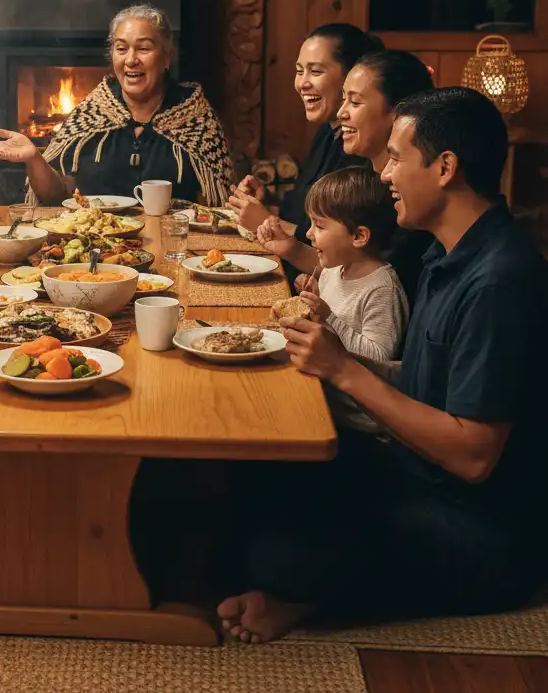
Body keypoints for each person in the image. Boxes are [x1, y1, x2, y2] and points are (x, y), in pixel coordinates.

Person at [218, 88, 548, 643]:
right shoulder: (443, 253)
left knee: (270, 552)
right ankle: (304, 591)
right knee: (251, 471)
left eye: (397, 158)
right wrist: (342, 358)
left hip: (482, 529)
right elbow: (419, 382)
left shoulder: (499, 280)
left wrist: (345, 373)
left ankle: (307, 599)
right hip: (412, 469)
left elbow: (473, 457)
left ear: (445, 168)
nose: (386, 174)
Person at [0, 4, 232, 205]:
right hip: (98, 250)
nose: (131, 60)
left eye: (143, 48)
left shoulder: (196, 119)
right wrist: (34, 159)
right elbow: (56, 198)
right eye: (121, 49)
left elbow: (218, 207)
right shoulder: (90, 114)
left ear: (166, 57)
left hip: (171, 250)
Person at [258, 49, 435, 303]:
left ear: (398, 113)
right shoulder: (364, 179)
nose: (341, 113)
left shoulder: (407, 199)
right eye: (343, 100)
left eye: (355, 102)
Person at [229, 24, 383, 245]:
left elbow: (339, 245)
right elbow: (302, 213)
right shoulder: (326, 133)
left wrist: (267, 221)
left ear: (353, 75)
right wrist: (266, 205)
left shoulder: (361, 147)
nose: (302, 83)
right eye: (300, 71)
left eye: (316, 71)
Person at [293, 167, 407, 434]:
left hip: (353, 422)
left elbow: (379, 359)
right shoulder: (334, 268)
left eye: (319, 225)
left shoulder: (382, 288)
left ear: (358, 236)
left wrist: (328, 316)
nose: (309, 234)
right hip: (322, 395)